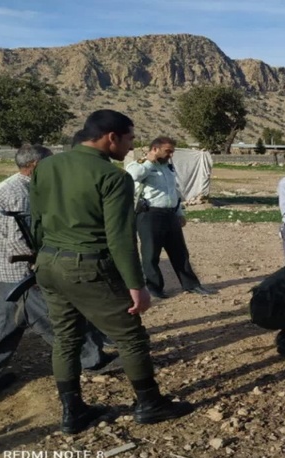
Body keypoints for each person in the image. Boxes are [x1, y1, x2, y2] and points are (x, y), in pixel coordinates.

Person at [31, 110, 193, 434]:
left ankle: (72, 410)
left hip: (48, 263)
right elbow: (120, 237)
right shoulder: (114, 177)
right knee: (131, 337)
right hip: (88, 265)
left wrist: (42, 258)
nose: (131, 146)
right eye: (130, 138)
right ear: (112, 138)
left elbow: (36, 220)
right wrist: (137, 285)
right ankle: (150, 404)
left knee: (66, 338)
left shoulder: (46, 166)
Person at [0, 145, 116, 402]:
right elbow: (18, 240)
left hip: (2, 272)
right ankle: (92, 359)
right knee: (60, 317)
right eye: (50, 164)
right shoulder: (19, 193)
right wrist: (43, 264)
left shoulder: (22, 188)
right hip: (21, 274)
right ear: (34, 166)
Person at [125, 137, 210, 299]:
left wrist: (180, 213)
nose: (171, 155)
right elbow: (133, 176)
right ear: (155, 149)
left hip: (170, 214)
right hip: (149, 214)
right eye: (167, 151)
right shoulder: (139, 164)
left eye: (172, 152)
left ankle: (192, 285)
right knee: (151, 255)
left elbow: (174, 191)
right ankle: (154, 288)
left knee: (180, 253)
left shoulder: (168, 167)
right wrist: (150, 161)